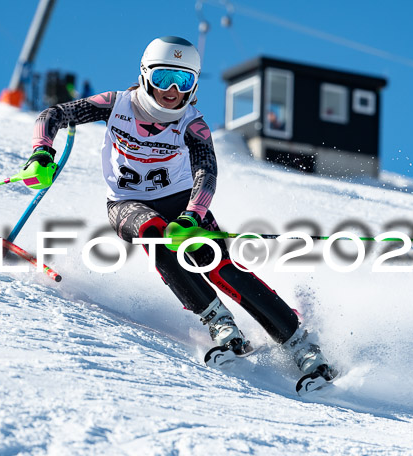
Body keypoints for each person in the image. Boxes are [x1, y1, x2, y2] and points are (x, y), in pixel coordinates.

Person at [22, 36, 336, 388]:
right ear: (145, 75)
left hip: (183, 203)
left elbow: (206, 172)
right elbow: (54, 114)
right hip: (127, 203)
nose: (172, 90)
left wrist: (191, 217)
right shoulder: (117, 103)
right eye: (163, 78)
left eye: (183, 80)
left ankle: (300, 345)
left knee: (220, 267)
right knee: (155, 236)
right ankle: (219, 323)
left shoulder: (192, 123)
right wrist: (41, 154)